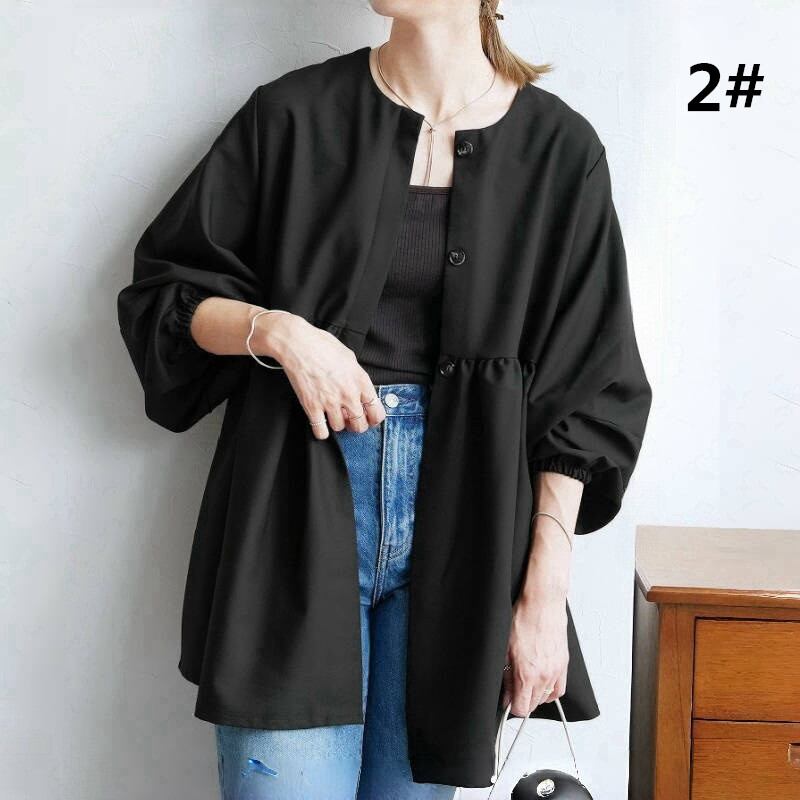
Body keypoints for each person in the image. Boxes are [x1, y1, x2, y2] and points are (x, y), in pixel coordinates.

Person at [117, 1, 652, 798]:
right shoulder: (293, 117)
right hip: (296, 510)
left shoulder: (560, 151)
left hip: (468, 536)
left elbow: (588, 394)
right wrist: (280, 333)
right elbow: (165, 296)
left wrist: (543, 600)